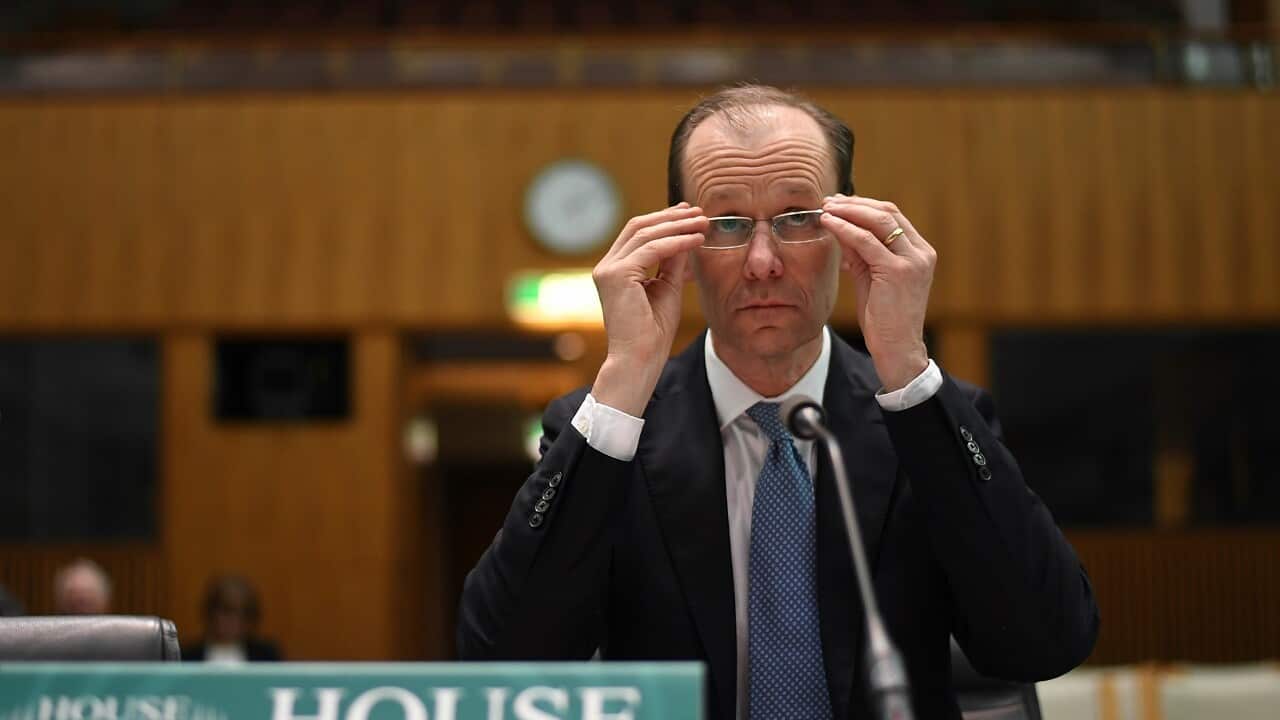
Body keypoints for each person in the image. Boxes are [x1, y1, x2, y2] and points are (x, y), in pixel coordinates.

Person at [457, 84, 1099, 720]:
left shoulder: (929, 417)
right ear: (681, 245)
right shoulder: (608, 431)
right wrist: (625, 378)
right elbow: (504, 662)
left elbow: (1046, 640)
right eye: (728, 224)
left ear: (849, 233)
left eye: (798, 220)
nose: (763, 263)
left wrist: (906, 364)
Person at [183, 574, 282, 663]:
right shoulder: (188, 656)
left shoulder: (266, 656)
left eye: (245, 613)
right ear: (210, 612)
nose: (235, 620)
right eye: (227, 611)